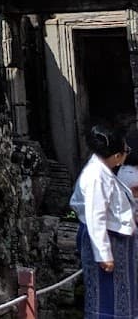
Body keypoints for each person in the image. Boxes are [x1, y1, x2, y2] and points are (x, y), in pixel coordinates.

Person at [71, 124, 138, 318]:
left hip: (117, 240)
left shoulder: (103, 171)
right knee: (107, 300)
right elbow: (96, 216)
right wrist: (103, 254)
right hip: (106, 240)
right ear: (116, 155)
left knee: (122, 299)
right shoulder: (95, 176)